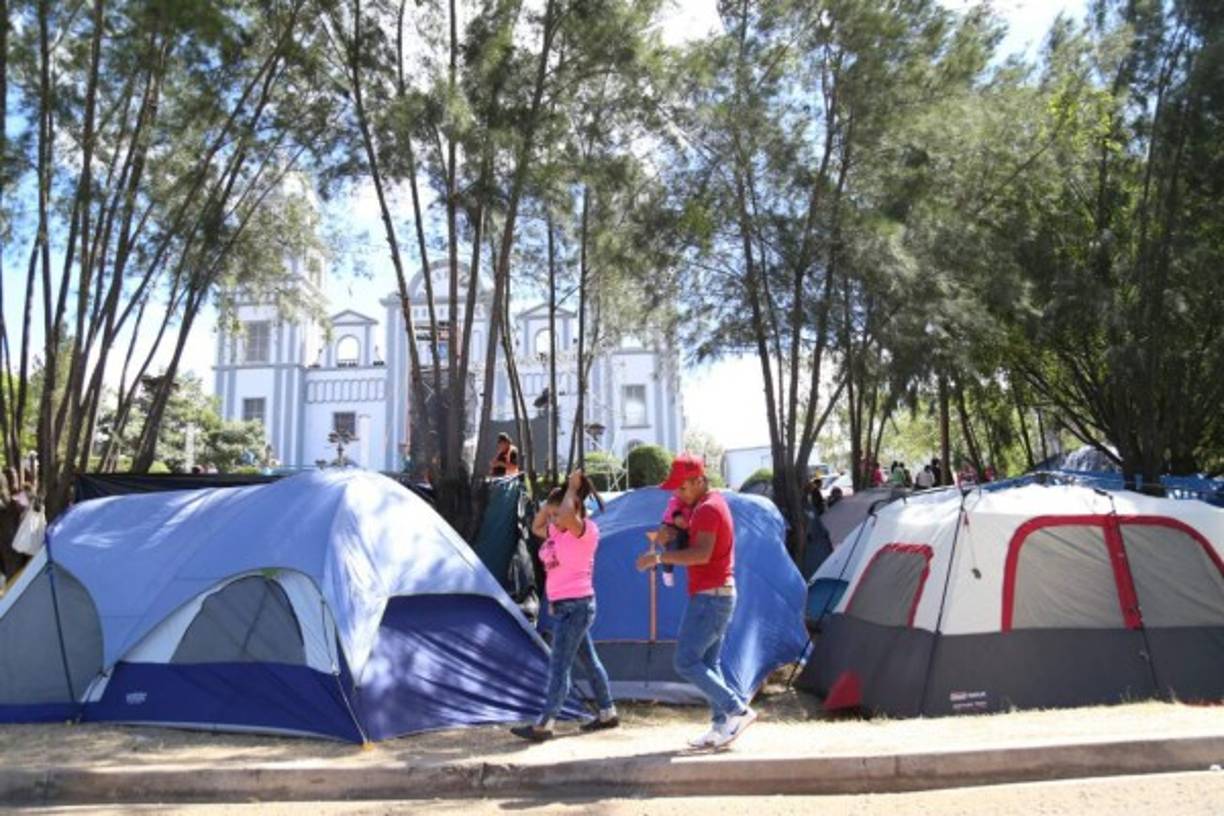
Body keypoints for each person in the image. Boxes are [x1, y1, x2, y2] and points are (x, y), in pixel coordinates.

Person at [636, 453, 756, 749]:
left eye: (683, 487)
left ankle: (737, 710)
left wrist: (658, 557)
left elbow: (700, 554)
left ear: (700, 480)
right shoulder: (705, 506)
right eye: (675, 488)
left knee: (686, 661)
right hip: (715, 595)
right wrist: (670, 534)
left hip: (710, 598)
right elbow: (690, 538)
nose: (678, 493)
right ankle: (719, 727)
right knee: (708, 663)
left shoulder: (708, 510)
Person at [511, 470, 618, 741]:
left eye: (558, 515)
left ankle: (545, 724)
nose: (554, 519)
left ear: (574, 508)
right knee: (589, 662)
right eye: (553, 515)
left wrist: (571, 489)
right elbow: (535, 527)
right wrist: (549, 506)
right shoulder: (556, 533)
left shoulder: (586, 532)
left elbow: (570, 517)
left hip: (576, 607)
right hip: (565, 608)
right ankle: (608, 712)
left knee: (559, 666)